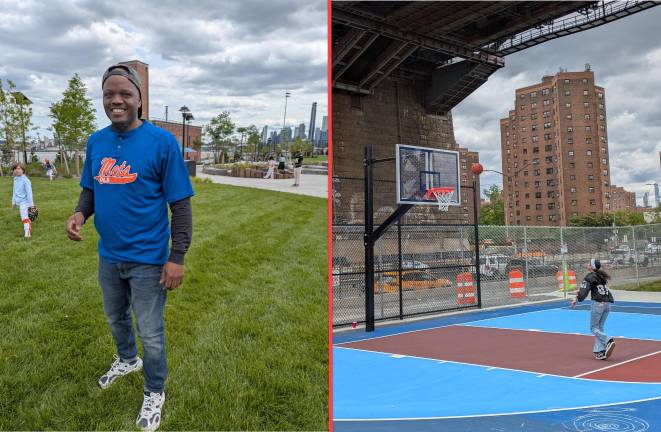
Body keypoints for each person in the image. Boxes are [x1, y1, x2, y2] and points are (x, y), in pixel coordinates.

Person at [66, 64, 194, 431]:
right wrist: (79, 214)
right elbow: (91, 188)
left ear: (139, 99)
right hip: (109, 257)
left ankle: (155, 391)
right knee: (115, 318)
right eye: (109, 94)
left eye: (125, 93)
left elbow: (180, 205)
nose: (116, 100)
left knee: (151, 332)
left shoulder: (161, 142)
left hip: (149, 262)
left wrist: (177, 257)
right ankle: (126, 359)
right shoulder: (97, 141)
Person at [571, 259, 615, 360]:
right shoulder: (601, 276)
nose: (587, 265)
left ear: (592, 267)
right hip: (607, 303)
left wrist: (577, 299)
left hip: (598, 303)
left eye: (589, 264)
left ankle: (608, 340)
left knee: (593, 328)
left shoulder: (589, 276)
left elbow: (584, 292)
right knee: (600, 327)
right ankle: (600, 351)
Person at [11, 162, 34, 238]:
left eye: (19, 168)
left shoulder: (26, 180)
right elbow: (14, 191)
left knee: (24, 217)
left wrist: (31, 206)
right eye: (15, 169)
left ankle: (27, 233)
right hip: (19, 202)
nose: (17, 170)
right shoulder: (15, 179)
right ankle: (28, 224)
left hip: (25, 202)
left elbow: (29, 194)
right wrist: (13, 202)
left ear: (23, 170)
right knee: (25, 216)